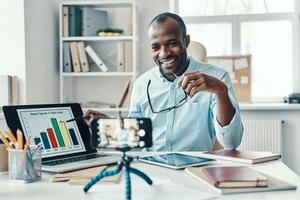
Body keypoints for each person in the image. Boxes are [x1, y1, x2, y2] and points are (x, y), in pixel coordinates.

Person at [84, 12, 243, 151]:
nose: (164, 53)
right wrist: (107, 126)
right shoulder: (142, 84)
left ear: (186, 41)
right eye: (155, 47)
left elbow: (231, 143)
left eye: (172, 43)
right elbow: (135, 140)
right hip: (152, 170)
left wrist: (221, 91)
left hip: (194, 171)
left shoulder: (217, 78)